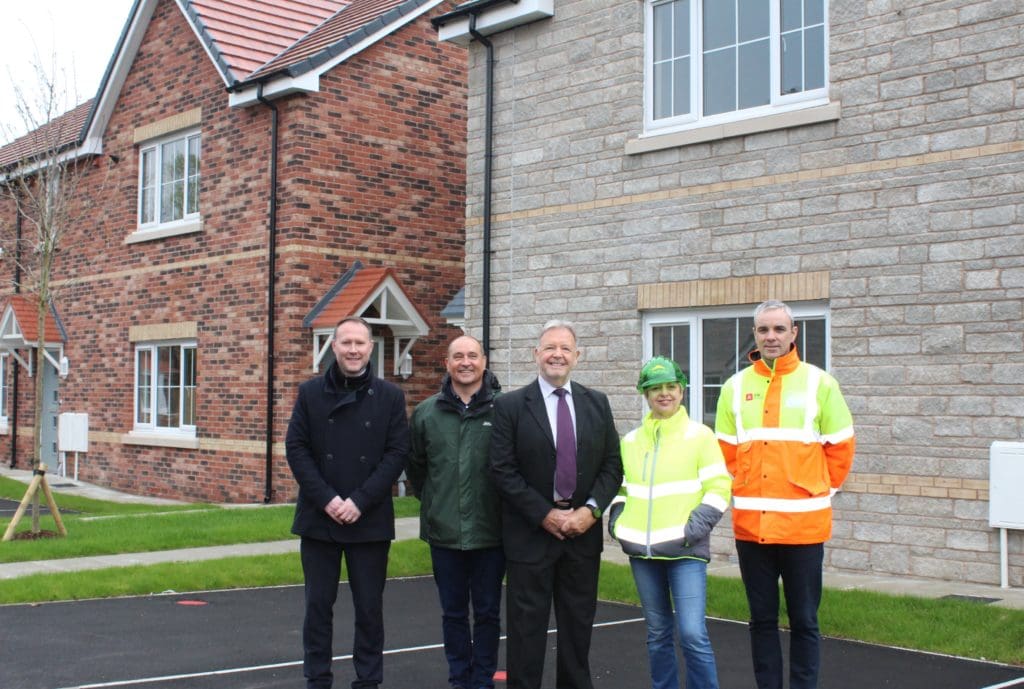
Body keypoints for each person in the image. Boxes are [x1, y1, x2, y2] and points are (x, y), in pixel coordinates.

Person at [714, 300, 855, 689]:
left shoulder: (819, 382)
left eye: (779, 329)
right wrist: (741, 487)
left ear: (794, 333)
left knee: (805, 621)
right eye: (763, 330)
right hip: (752, 529)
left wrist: (819, 491)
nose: (771, 336)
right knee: (761, 621)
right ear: (754, 335)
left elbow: (841, 447)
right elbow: (724, 451)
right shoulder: (734, 387)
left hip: (804, 529)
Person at [489, 320, 623, 689]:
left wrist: (590, 511)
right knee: (526, 633)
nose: (557, 355)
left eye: (565, 348)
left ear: (577, 357)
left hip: (582, 537)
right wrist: (544, 514)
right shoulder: (510, 406)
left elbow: (613, 465)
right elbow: (502, 470)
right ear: (536, 355)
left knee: (578, 630)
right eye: (550, 347)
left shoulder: (597, 403)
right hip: (530, 537)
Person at [285, 316, 410, 689]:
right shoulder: (309, 393)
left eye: (360, 343)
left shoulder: (390, 396)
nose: (353, 350)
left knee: (369, 610)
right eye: (346, 343)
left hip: (368, 519)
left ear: (370, 347)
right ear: (334, 346)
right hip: (319, 518)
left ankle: (368, 681)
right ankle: (317, 679)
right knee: (318, 608)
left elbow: (397, 452)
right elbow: (297, 449)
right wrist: (327, 499)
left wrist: (359, 500)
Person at [608, 357, 731, 689]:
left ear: (681, 391)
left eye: (671, 387)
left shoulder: (700, 436)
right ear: (645, 395)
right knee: (657, 632)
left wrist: (693, 529)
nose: (664, 394)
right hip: (643, 555)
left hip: (685, 552)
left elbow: (719, 488)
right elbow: (621, 488)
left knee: (692, 633)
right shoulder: (631, 441)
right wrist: (618, 521)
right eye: (655, 388)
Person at [407, 334, 505, 689]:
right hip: (443, 532)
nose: (466, 362)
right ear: (446, 364)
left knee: (488, 613)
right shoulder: (426, 413)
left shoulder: (505, 410)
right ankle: (459, 678)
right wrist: (436, 502)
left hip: (491, 533)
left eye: (473, 355)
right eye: (458, 356)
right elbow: (416, 468)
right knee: (453, 613)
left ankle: (482, 679)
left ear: (484, 361)